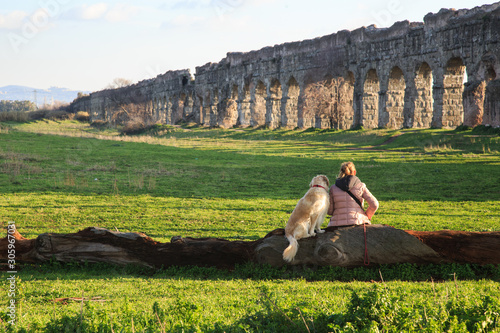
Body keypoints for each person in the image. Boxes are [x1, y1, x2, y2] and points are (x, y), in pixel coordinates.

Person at [327, 161, 379, 227]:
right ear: (354, 172)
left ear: (341, 172)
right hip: (358, 221)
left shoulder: (333, 188)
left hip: (336, 224)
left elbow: (329, 211)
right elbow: (374, 204)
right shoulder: (361, 186)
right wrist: (367, 215)